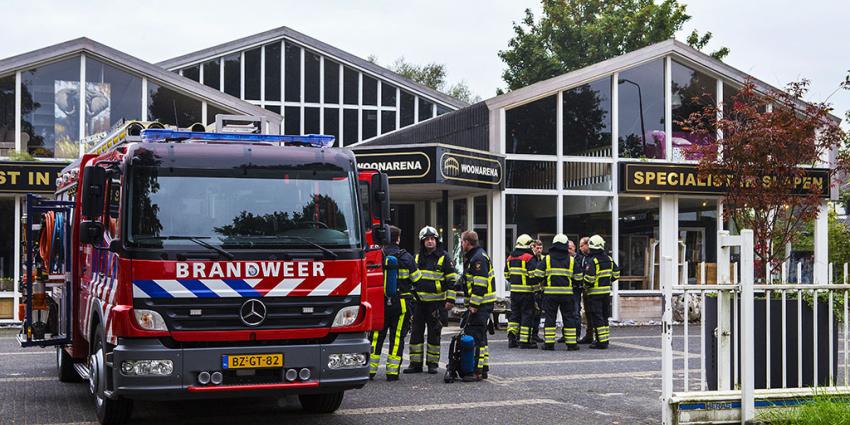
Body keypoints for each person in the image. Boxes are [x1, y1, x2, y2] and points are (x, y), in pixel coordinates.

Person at [369, 226, 421, 381]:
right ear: (398, 239)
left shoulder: (376, 255)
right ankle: (392, 373)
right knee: (397, 337)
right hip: (401, 303)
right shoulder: (406, 257)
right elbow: (417, 279)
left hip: (380, 303)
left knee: (376, 336)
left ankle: (370, 371)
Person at [404, 226, 457, 375]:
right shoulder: (416, 257)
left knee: (434, 334)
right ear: (422, 241)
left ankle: (433, 364)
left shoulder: (444, 257)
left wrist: (450, 299)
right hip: (419, 303)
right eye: (427, 239)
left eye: (432, 239)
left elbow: (452, 281)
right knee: (416, 333)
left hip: (436, 303)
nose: (430, 241)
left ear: (436, 241)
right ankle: (415, 363)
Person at [446, 230, 495, 381]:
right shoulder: (475, 256)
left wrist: (473, 305)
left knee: (476, 339)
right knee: (481, 338)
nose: (461, 244)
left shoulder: (477, 258)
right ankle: (483, 368)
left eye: (461, 242)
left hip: (480, 305)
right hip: (483, 304)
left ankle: (475, 371)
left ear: (467, 242)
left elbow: (480, 284)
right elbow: (469, 279)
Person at [541, 234, 580, 351]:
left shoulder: (547, 259)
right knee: (569, 318)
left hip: (550, 295)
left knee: (550, 318)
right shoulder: (572, 260)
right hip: (567, 295)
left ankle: (549, 344)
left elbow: (537, 275)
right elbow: (579, 278)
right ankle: (572, 344)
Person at [582, 235, 620, 349]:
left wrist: (584, 285)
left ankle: (600, 342)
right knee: (604, 317)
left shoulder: (593, 261)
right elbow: (616, 274)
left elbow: (589, 279)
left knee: (597, 317)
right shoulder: (609, 259)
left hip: (594, 294)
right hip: (606, 293)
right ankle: (605, 339)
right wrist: (608, 280)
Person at [505, 234, 542, 349]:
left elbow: (506, 275)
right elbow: (533, 276)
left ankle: (512, 338)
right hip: (527, 293)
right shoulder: (529, 258)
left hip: (514, 292)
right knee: (527, 315)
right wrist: (537, 291)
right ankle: (524, 341)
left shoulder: (510, 257)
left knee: (514, 315)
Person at [575, 237, 594, 344]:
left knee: (595, 314)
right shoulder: (583, 258)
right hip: (586, 290)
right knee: (588, 313)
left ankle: (597, 337)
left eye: (582, 245)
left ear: (587, 245)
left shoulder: (593, 258)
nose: (580, 248)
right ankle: (589, 334)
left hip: (593, 291)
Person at [530, 239, 545, 344]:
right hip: (531, 290)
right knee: (531, 313)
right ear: (533, 248)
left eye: (540, 248)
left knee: (538, 313)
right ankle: (529, 334)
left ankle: (535, 334)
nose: (539, 250)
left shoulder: (544, 259)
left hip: (541, 290)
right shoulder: (531, 259)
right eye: (537, 248)